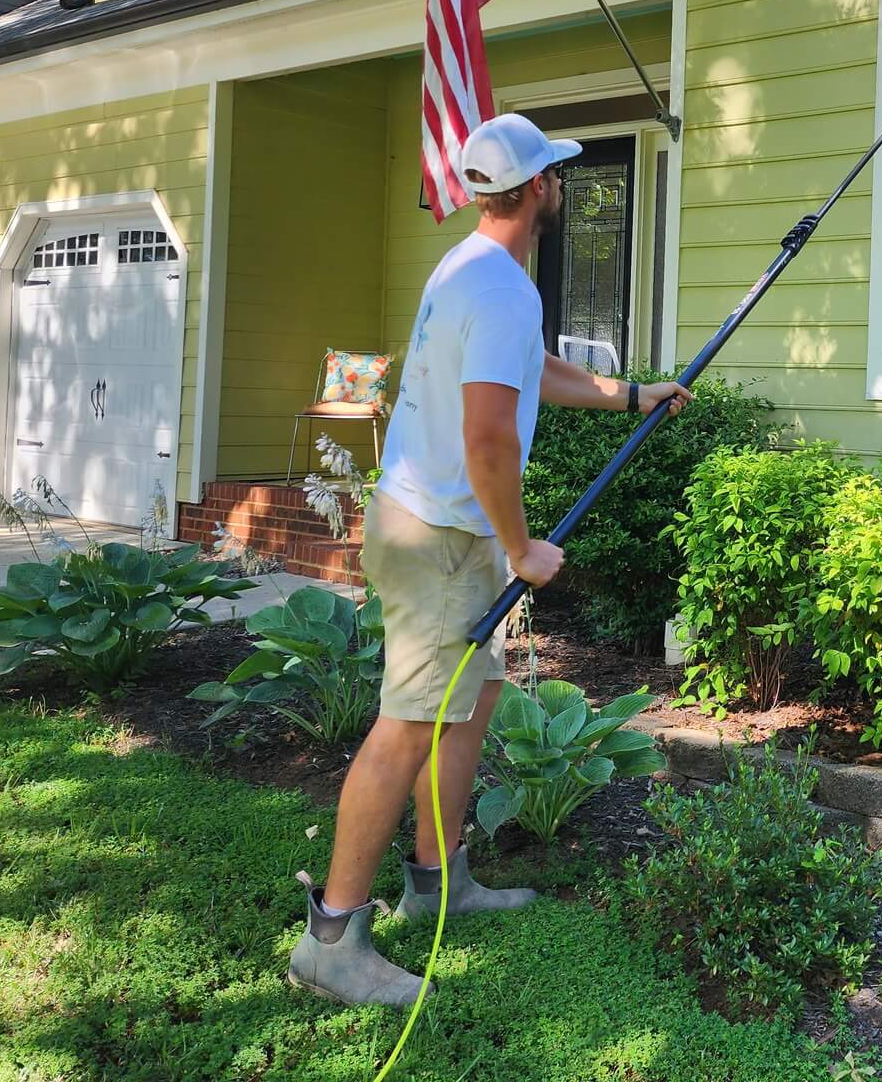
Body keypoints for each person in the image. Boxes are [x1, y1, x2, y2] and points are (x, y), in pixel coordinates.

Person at [286, 113, 692, 1006]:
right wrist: (521, 547)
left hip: (443, 529)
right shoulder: (500, 287)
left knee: (466, 710)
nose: (562, 185)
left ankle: (440, 883)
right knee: (408, 725)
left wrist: (632, 395)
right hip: (440, 537)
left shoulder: (470, 268)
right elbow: (487, 438)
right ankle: (331, 940)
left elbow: (530, 371)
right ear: (538, 188)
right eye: (557, 174)